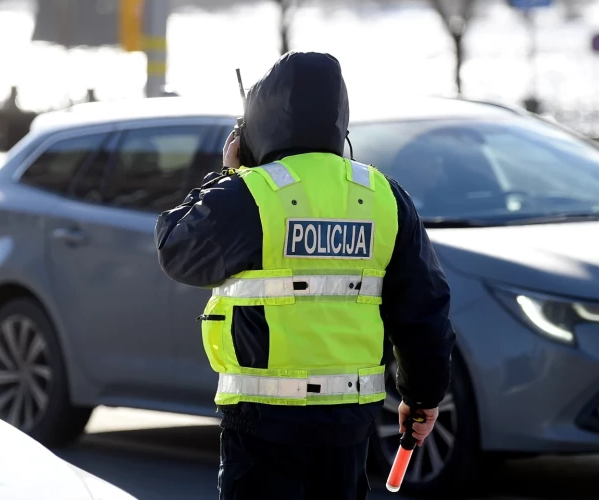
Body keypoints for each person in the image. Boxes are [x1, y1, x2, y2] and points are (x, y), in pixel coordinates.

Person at [154, 51, 456, 499]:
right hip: (349, 424)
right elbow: (425, 308)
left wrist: (229, 172)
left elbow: (176, 250)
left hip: (263, 424)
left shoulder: (251, 194)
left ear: (260, 122)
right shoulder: (383, 196)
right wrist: (423, 396)